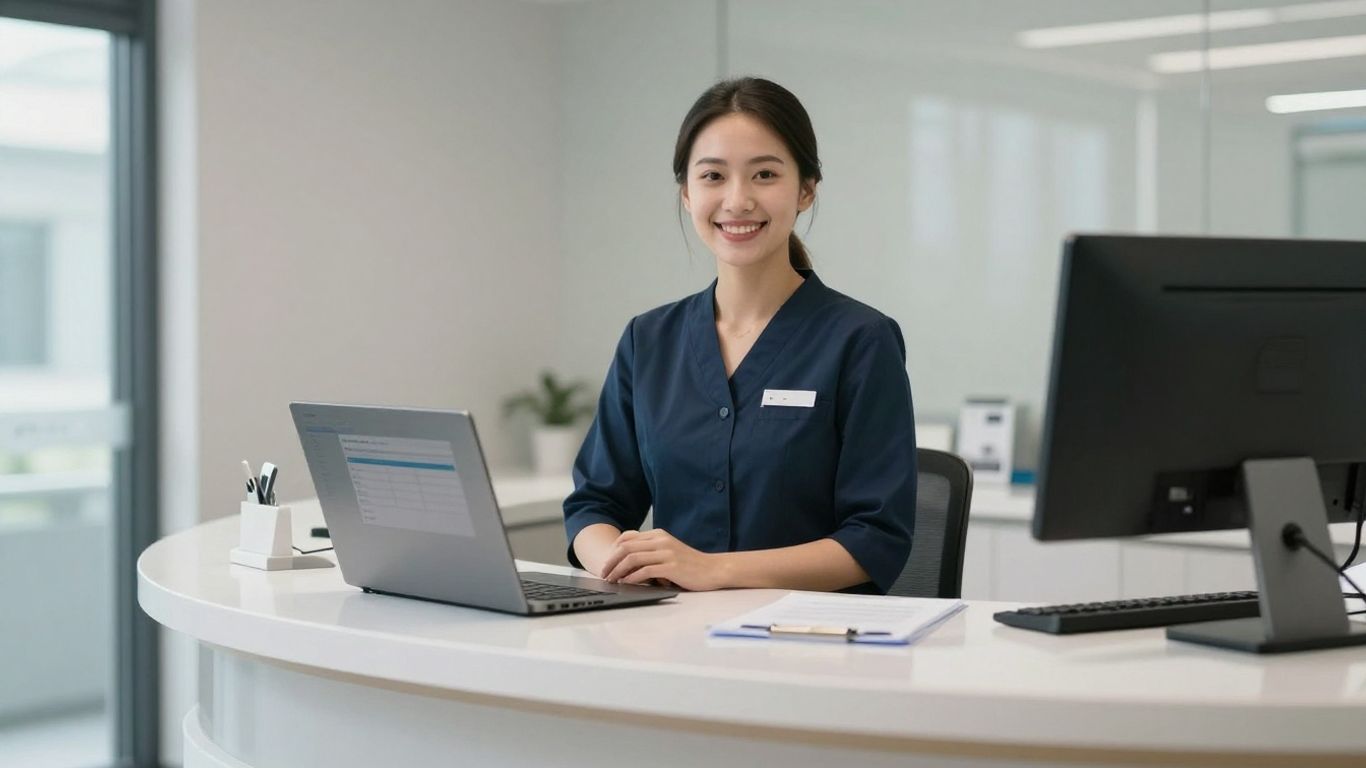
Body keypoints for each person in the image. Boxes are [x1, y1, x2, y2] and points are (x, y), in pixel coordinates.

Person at [562, 77, 916, 595]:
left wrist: (714, 571)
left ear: (806, 189)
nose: (737, 199)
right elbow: (596, 504)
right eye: (712, 176)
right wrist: (619, 561)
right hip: (668, 633)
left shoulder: (861, 340)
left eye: (765, 174)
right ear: (687, 194)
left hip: (807, 642)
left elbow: (875, 537)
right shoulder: (648, 340)